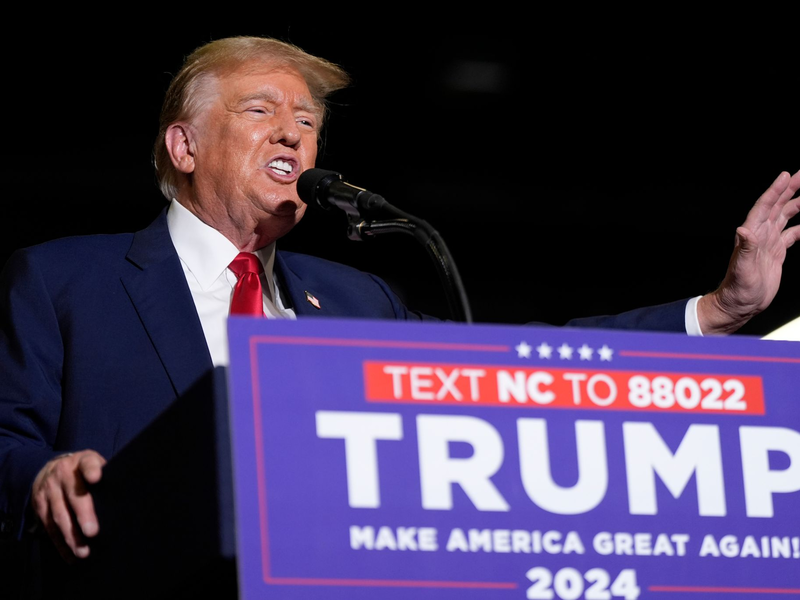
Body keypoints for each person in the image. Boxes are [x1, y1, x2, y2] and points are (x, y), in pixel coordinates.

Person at [1, 34, 798, 579]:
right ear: (184, 148)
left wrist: (715, 312)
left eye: (307, 123)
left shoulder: (356, 298)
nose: (295, 137)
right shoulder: (65, 279)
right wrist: (42, 474)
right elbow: (7, 439)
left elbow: (519, 367)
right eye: (261, 112)